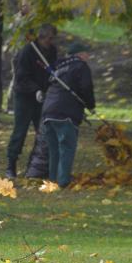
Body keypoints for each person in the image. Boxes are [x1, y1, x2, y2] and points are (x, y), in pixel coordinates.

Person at [5, 24, 57, 179]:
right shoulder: (28, 51)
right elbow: (21, 77)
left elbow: (52, 70)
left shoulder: (52, 51)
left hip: (42, 97)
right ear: (41, 37)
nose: (51, 41)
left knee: (43, 132)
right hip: (24, 97)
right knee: (20, 131)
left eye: (52, 38)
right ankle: (11, 165)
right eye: (49, 38)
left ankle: (36, 165)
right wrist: (35, 90)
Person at [42, 42, 95, 188]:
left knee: (54, 149)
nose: (88, 56)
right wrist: (91, 105)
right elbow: (86, 87)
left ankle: (53, 180)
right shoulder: (81, 66)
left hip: (48, 111)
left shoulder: (58, 67)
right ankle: (63, 181)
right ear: (80, 54)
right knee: (66, 147)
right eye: (86, 53)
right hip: (66, 112)